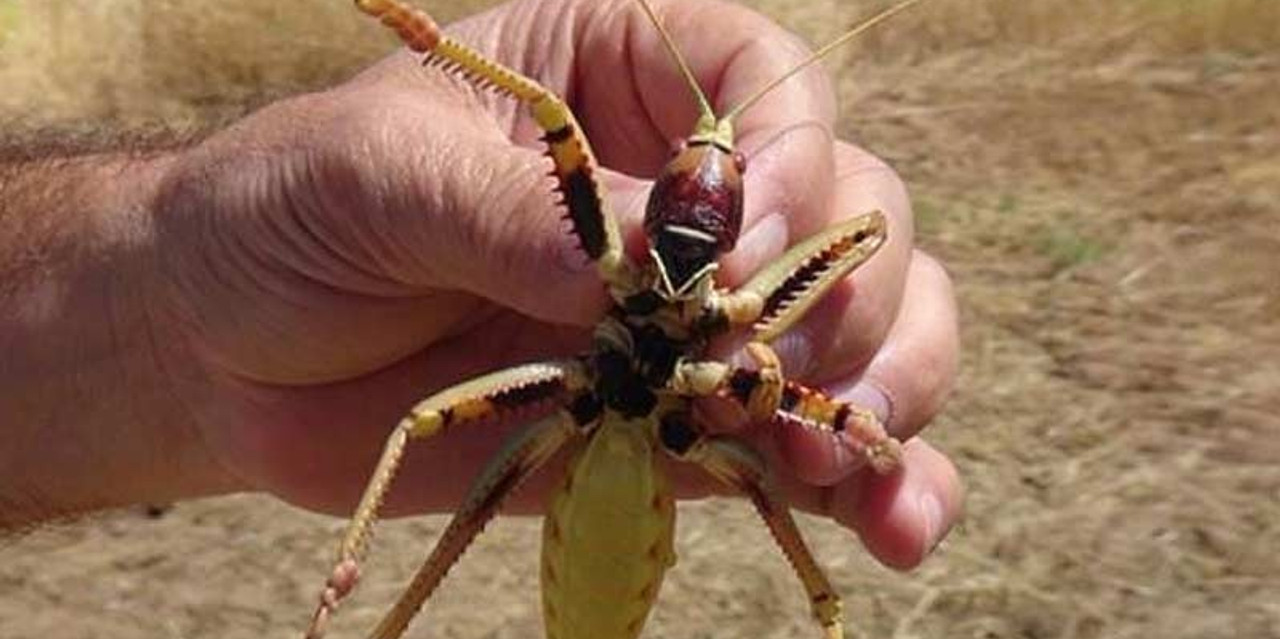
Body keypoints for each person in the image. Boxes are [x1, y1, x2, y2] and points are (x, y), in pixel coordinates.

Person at [0, 0, 960, 570]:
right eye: (693, 153)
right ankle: (362, 614)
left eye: (717, 163)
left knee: (801, 529)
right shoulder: (608, 248)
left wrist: (846, 412)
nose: (705, 160)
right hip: (581, 423)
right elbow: (546, 109)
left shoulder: (739, 296)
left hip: (668, 435)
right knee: (426, 440)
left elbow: (864, 230)